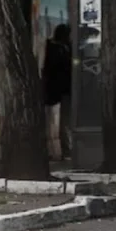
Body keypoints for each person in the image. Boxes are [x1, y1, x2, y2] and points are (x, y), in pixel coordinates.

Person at [42, 23, 72, 161]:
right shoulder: (59, 49)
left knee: (57, 121)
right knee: (60, 121)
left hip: (57, 90)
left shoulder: (55, 48)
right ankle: (62, 150)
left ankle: (61, 150)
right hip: (59, 90)